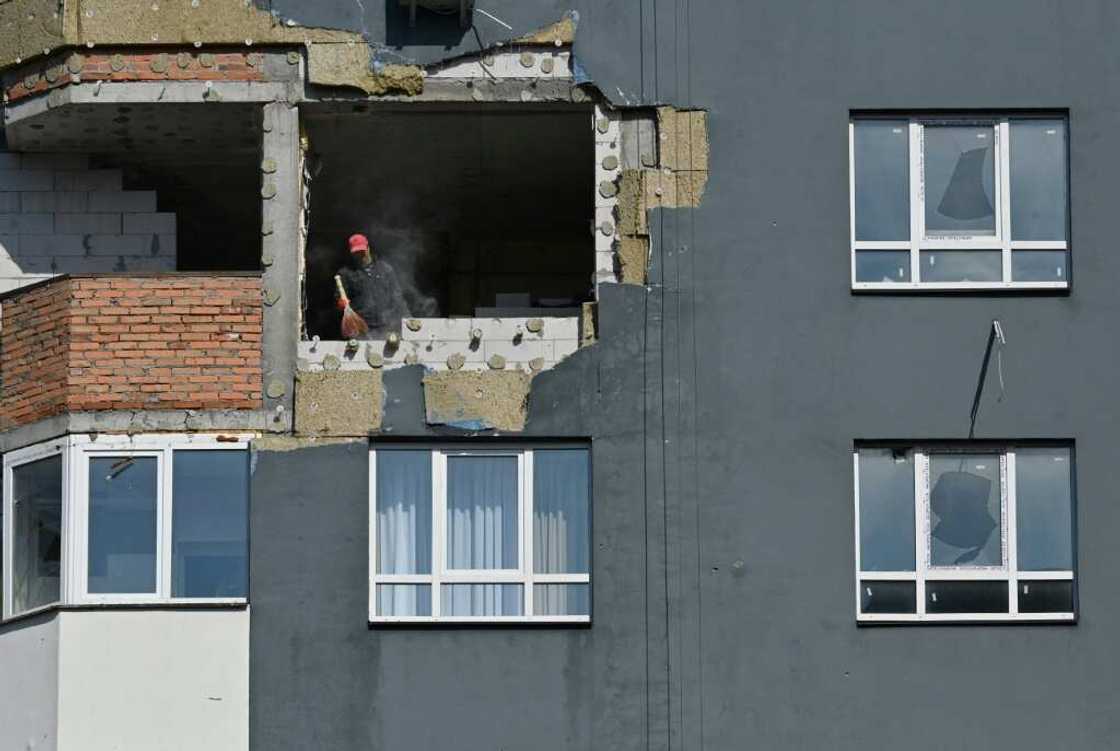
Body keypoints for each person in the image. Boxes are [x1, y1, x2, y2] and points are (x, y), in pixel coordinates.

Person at [334, 233, 410, 339]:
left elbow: (397, 297)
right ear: (352, 253)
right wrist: (340, 303)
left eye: (362, 252)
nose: (360, 255)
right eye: (357, 253)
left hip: (387, 327)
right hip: (360, 330)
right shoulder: (345, 274)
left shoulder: (385, 269)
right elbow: (338, 300)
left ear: (368, 248)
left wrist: (407, 319)